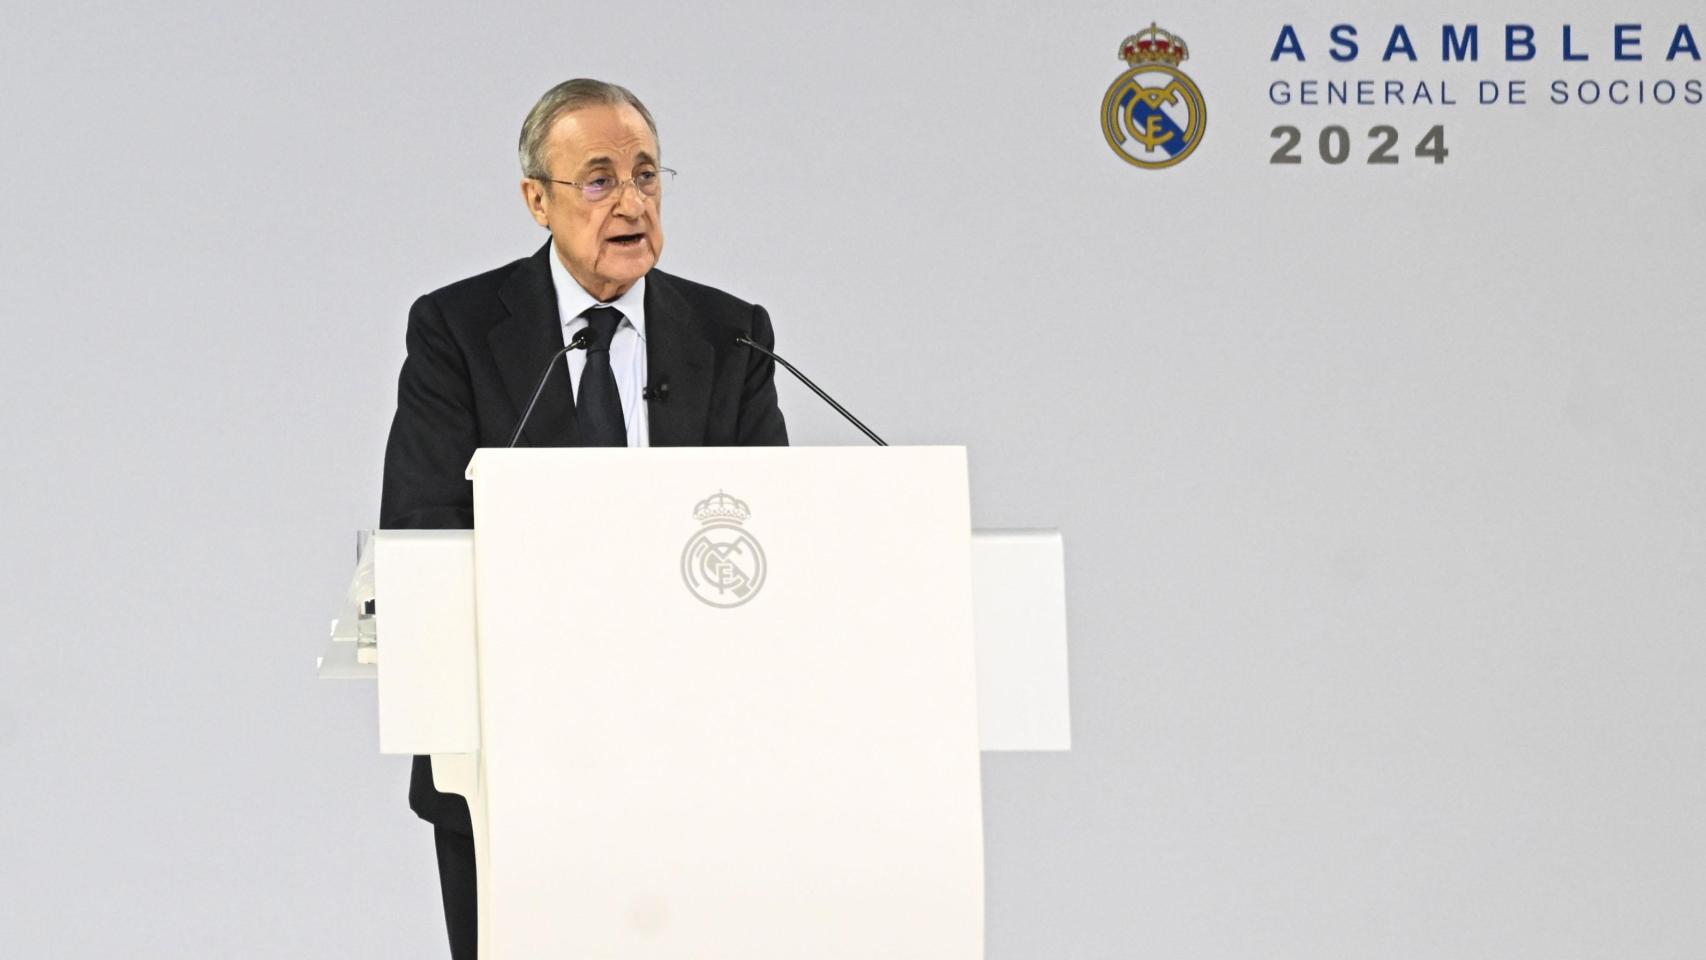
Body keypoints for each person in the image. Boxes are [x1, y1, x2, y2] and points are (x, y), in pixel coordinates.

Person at [378, 78, 788, 959]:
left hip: (694, 753)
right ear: (538, 200)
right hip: (511, 753)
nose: (632, 201)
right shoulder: (456, 328)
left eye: (646, 175)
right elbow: (423, 523)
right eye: (599, 180)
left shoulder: (733, 335)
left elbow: (772, 532)